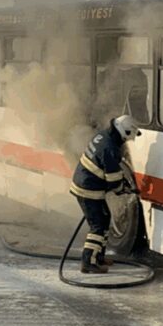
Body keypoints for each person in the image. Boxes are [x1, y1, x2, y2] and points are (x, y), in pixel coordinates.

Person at [69, 115, 141, 274]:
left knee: (105, 217)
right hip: (88, 189)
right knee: (98, 226)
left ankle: (98, 256)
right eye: (126, 138)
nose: (125, 141)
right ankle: (88, 262)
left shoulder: (104, 135)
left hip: (86, 183)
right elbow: (114, 180)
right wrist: (124, 189)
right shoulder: (109, 148)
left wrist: (122, 184)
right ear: (123, 133)